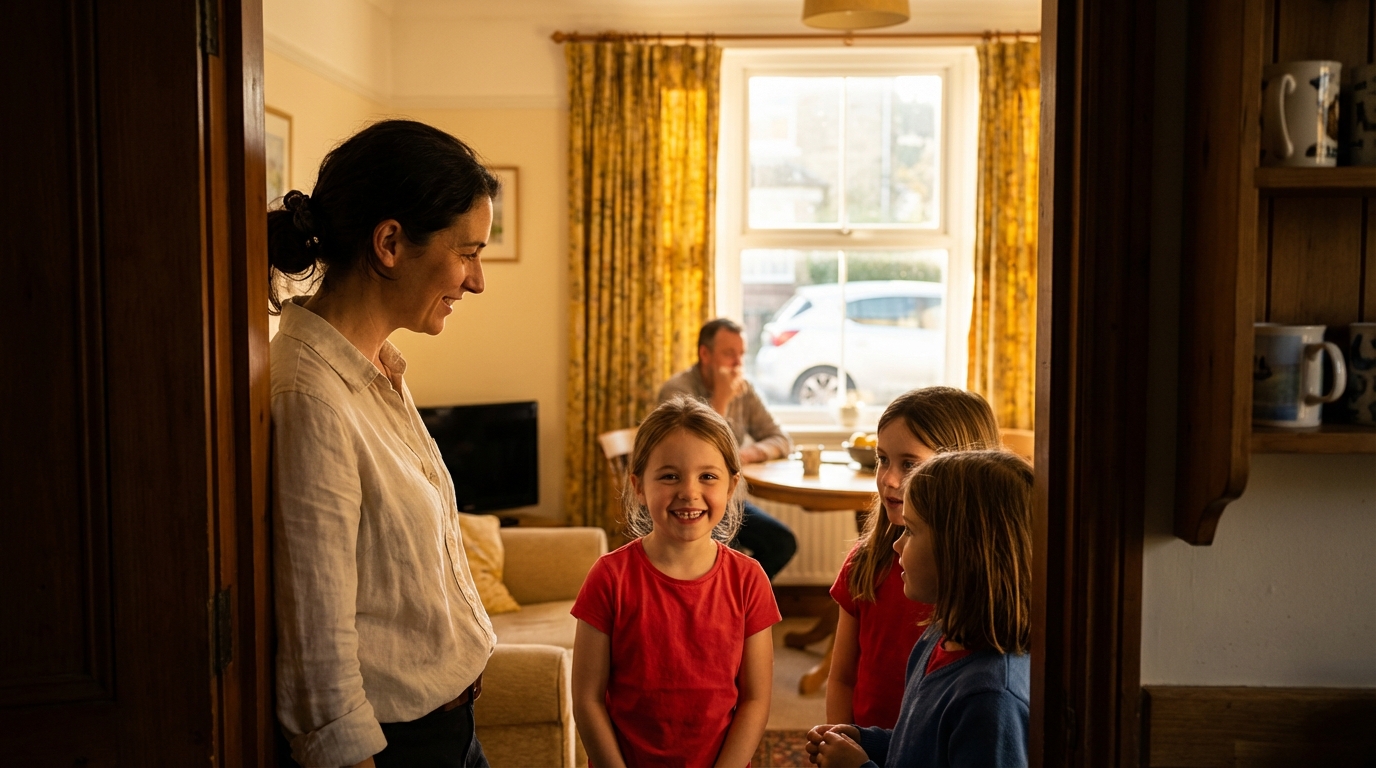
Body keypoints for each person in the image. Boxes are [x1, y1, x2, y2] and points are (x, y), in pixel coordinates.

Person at [269, 119, 501, 768]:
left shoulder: (377, 370)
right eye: (468, 252)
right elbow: (319, 653)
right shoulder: (312, 397)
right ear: (391, 242)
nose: (476, 281)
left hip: (452, 729)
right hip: (401, 747)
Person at [571, 396, 781, 768]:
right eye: (669, 476)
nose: (688, 491)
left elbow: (755, 701)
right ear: (638, 486)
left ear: (731, 487)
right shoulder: (608, 577)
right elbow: (587, 700)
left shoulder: (749, 580)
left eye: (708, 477)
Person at [806, 450, 1033, 768]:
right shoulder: (936, 637)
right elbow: (919, 748)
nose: (897, 544)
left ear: (960, 553)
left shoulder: (990, 700)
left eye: (910, 531)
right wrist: (867, 742)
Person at [827, 388, 1003, 730]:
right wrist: (844, 739)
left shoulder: (984, 582)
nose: (889, 479)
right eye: (882, 459)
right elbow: (841, 678)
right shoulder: (864, 563)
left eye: (909, 464)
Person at [657, 318, 798, 579]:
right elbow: (692, 454)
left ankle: (738, 601)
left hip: (726, 499)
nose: (737, 363)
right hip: (684, 500)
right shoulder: (677, 391)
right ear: (705, 354)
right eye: (729, 354)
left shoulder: (743, 389)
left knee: (782, 542)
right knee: (723, 547)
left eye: (741, 355)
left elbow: (780, 439)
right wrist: (720, 400)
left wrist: (745, 455)